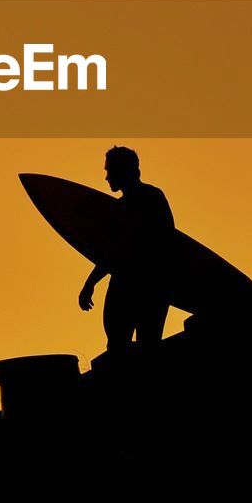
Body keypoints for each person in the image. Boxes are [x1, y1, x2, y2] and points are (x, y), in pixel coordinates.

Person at [78, 146, 175, 352]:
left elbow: (165, 241)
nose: (106, 178)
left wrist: (90, 284)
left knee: (147, 347)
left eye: (109, 171)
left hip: (149, 286)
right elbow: (110, 253)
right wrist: (89, 283)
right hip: (128, 286)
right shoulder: (119, 207)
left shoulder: (152, 197)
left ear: (123, 171)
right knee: (118, 348)